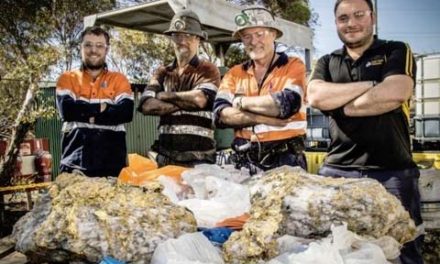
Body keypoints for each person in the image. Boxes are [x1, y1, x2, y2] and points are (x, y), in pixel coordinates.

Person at [307, 0, 423, 263]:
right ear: (336, 23)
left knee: (404, 247)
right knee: (337, 249)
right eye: (343, 18)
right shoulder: (327, 61)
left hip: (392, 172)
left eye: (359, 15)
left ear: (372, 17)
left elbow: (396, 92)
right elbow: (315, 96)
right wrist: (373, 84)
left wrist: (343, 106)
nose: (351, 23)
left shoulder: (396, 50)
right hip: (338, 171)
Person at [213, 6, 307, 174]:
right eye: (247, 36)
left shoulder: (293, 65)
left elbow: (285, 105)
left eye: (259, 34)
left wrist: (240, 102)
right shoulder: (234, 73)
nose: (254, 41)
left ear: (273, 34)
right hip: (244, 162)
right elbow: (220, 116)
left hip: (285, 160)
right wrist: (263, 118)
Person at [138, 10, 220, 167]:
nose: (182, 40)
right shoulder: (162, 72)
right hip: (165, 156)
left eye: (188, 35)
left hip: (199, 159)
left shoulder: (208, 69)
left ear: (198, 39)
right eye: (177, 35)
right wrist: (185, 101)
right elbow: (146, 105)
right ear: (171, 39)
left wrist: (164, 95)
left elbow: (200, 100)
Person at [56, 26, 134, 177]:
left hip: (112, 166)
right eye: (88, 45)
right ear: (81, 48)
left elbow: (125, 113)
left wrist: (85, 112)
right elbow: (67, 111)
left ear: (107, 50)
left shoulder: (119, 79)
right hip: (74, 164)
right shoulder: (68, 78)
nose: (94, 50)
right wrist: (104, 107)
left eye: (99, 46)